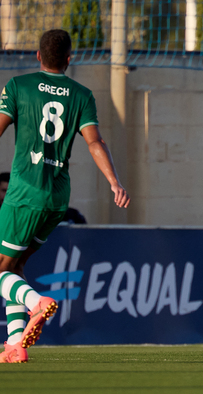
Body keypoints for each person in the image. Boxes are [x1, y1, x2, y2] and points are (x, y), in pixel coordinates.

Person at [0, 29, 130, 363]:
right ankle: (15, 346)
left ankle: (35, 303)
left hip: (24, 193)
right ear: (70, 59)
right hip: (57, 197)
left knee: (1, 268)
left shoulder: (18, 86)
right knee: (15, 266)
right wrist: (114, 182)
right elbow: (95, 142)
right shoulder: (82, 95)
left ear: (38, 56)